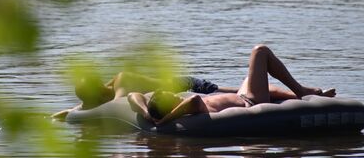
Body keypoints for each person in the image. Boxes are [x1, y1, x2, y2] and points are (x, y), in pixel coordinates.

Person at [128, 44, 336, 125]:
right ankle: (300, 91)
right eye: (170, 97)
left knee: (249, 79)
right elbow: (193, 99)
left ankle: (301, 95)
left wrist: (147, 113)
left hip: (244, 95)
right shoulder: (190, 108)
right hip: (251, 102)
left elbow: (132, 96)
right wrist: (164, 120)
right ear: (169, 107)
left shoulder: (178, 108)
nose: (175, 95)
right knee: (260, 52)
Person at [51, 71, 235, 121]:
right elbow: (85, 107)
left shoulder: (122, 82)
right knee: (243, 93)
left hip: (189, 85)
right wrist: (67, 112)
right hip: (176, 91)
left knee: (241, 94)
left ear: (99, 91)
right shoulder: (105, 92)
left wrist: (75, 113)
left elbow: (116, 106)